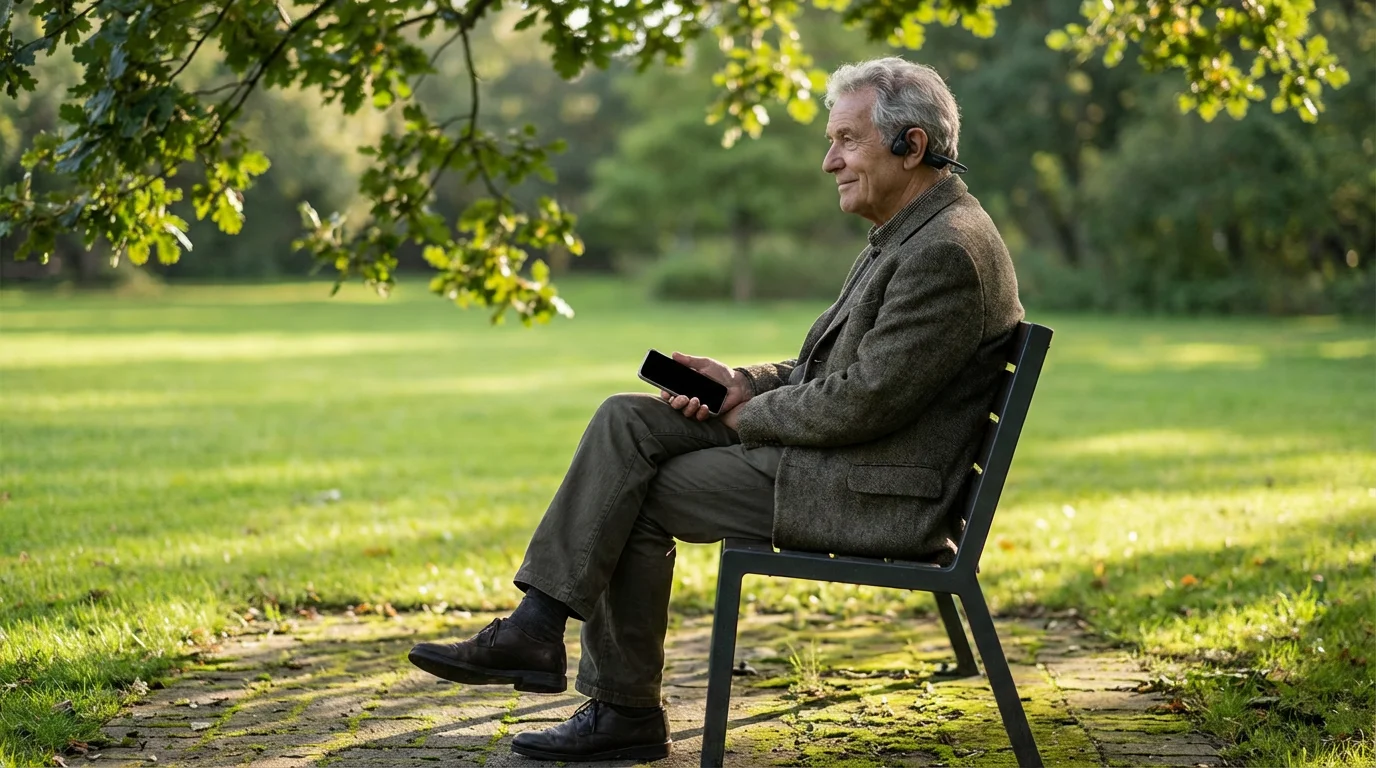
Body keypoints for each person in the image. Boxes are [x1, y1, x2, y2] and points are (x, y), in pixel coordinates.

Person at [407, 56, 1024, 763]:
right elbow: (835, 372)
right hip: (846, 460)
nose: (829, 162)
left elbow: (864, 400)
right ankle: (537, 623)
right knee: (625, 418)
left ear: (911, 145)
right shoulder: (915, 233)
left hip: (870, 489)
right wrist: (739, 381)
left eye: (847, 140)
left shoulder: (945, 252)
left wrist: (743, 416)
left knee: (632, 497)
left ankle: (621, 710)